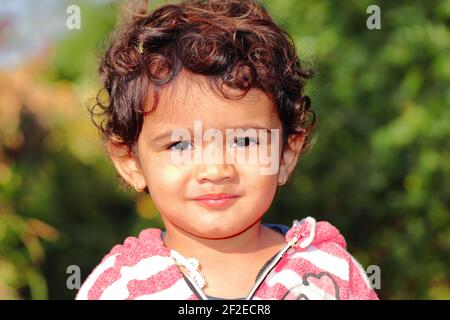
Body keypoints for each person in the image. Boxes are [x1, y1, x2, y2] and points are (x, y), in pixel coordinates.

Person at [76, 0, 379, 300]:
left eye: (244, 141)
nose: (216, 170)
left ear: (285, 155)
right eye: (180, 144)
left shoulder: (331, 277)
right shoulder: (119, 288)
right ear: (131, 162)